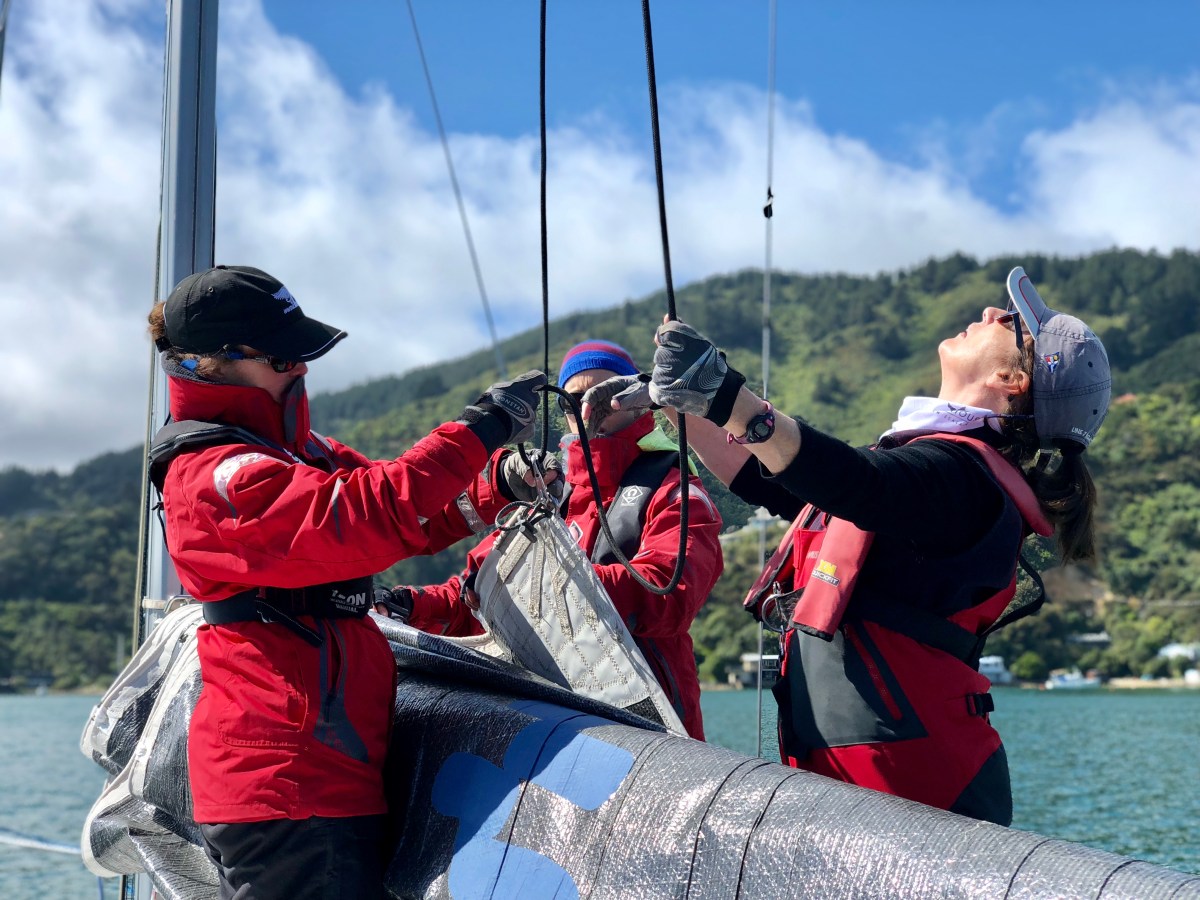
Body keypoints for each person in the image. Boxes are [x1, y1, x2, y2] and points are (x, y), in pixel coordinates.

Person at [582, 267, 1111, 825]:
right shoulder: (934, 471)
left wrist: (721, 392)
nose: (987, 312)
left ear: (1011, 378)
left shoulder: (963, 484)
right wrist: (678, 397)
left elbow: (848, 477)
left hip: (928, 805)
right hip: (879, 790)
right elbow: (765, 474)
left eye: (1008, 322)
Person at [146, 264, 546, 898]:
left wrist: (500, 486)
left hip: (325, 772)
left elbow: (412, 515)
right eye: (284, 357)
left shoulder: (298, 455)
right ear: (213, 363)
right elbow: (369, 514)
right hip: (289, 787)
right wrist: (482, 429)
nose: (301, 369)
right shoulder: (217, 477)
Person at [396, 339, 725, 740]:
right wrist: (406, 605)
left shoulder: (675, 489)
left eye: (609, 392)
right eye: (574, 399)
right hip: (549, 726)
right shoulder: (546, 495)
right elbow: (480, 592)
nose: (591, 406)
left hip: (649, 727)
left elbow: (670, 593)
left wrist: (550, 583)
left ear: (639, 398)